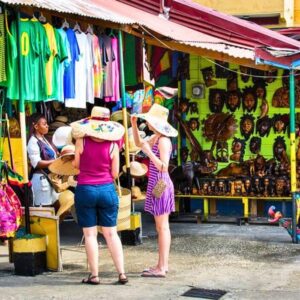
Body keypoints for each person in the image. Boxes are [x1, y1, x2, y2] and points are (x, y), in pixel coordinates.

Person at [71, 106, 128, 285]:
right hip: (106, 190)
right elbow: (115, 173)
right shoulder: (113, 145)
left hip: (85, 189)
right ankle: (122, 274)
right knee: (111, 233)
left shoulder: (81, 141)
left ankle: (94, 275)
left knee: (90, 235)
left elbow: (76, 166)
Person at [131, 103, 178, 278]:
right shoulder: (156, 137)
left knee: (162, 227)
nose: (148, 123)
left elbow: (164, 167)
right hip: (157, 184)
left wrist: (149, 153)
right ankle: (161, 265)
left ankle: (162, 267)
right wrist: (134, 125)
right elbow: (138, 143)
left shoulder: (163, 140)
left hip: (161, 183)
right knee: (161, 227)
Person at [27, 113, 59, 207]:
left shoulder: (44, 139)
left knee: (57, 206)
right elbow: (36, 163)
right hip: (41, 181)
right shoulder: (33, 141)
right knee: (45, 211)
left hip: (49, 178)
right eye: (44, 124)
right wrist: (56, 161)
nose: (47, 126)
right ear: (36, 126)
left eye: (47, 124)